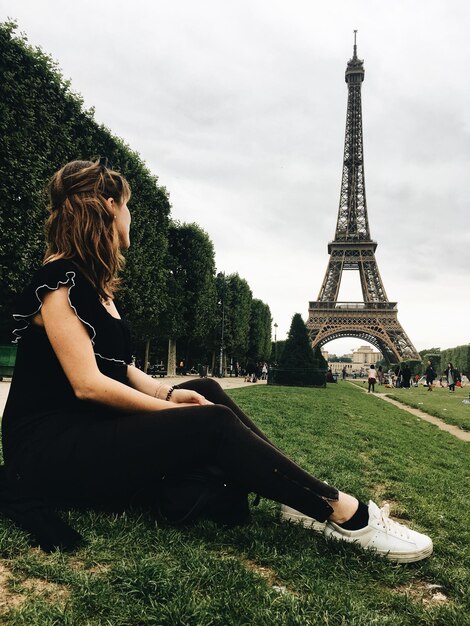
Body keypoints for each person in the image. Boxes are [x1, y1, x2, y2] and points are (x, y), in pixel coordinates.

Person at [0, 160, 432, 563]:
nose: (131, 218)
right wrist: (173, 410)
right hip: (51, 447)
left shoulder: (93, 286)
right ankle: (343, 513)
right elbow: (88, 384)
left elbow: (118, 366)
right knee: (213, 421)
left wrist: (170, 392)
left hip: (85, 428)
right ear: (109, 208)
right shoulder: (57, 280)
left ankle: (293, 496)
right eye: (128, 207)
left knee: (204, 390)